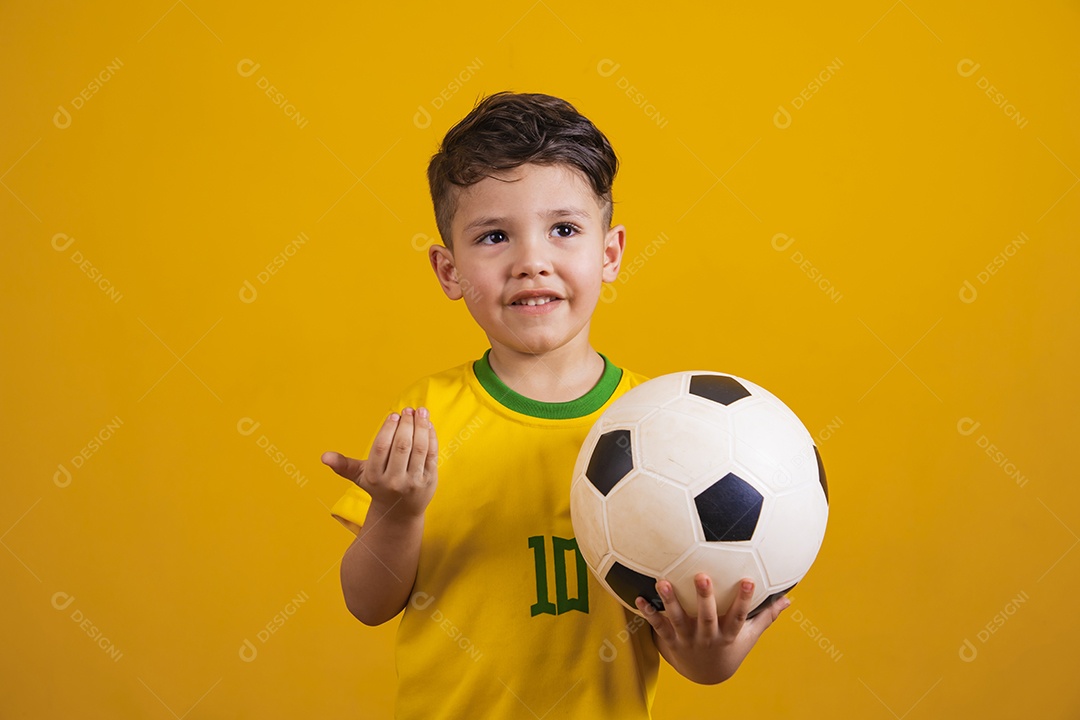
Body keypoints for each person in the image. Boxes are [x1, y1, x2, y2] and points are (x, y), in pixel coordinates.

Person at [321, 91, 789, 719]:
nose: (531, 263)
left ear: (610, 252)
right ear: (448, 270)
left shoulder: (666, 426)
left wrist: (713, 645)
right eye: (493, 237)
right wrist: (396, 514)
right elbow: (368, 604)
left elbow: (697, 666)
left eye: (563, 230)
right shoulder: (427, 416)